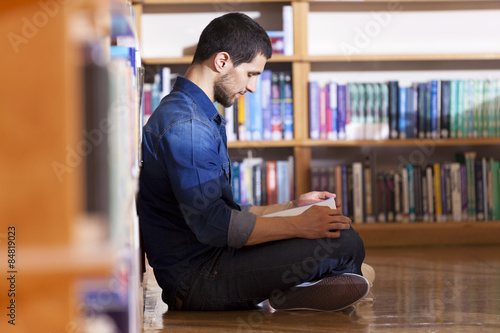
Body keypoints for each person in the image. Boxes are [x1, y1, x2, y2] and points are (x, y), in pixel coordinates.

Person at [137, 12, 371, 312]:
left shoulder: (195, 113)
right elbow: (216, 225)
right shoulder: (188, 126)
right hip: (198, 280)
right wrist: (299, 225)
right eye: (251, 74)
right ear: (222, 62)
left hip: (214, 261)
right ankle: (304, 288)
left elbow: (227, 213)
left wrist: (292, 207)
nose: (252, 88)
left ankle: (305, 288)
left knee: (341, 237)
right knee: (345, 244)